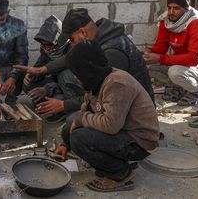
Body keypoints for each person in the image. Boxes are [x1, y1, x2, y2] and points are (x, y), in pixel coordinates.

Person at [56, 40, 159, 192]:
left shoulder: (117, 83)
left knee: (79, 138)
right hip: (122, 130)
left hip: (139, 141)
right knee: (70, 125)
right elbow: (86, 109)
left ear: (87, 68)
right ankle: (109, 161)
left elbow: (111, 125)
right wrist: (66, 142)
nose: (77, 77)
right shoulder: (96, 78)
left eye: (77, 72)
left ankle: (122, 173)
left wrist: (81, 120)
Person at [14, 8, 154, 117]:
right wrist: (42, 70)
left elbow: (102, 94)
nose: (72, 44)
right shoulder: (99, 36)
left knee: (74, 124)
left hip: (133, 113)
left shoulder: (113, 52)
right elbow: (69, 58)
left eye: (72, 39)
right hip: (115, 100)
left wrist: (64, 105)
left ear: (83, 33)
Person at [143, 0, 198, 106]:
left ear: (186, 9)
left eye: (176, 8)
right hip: (181, 66)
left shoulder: (197, 24)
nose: (171, 12)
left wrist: (160, 58)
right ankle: (181, 88)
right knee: (149, 69)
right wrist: (147, 55)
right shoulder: (166, 22)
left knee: (175, 72)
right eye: (169, 7)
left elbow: (194, 59)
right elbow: (160, 48)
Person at [23, 15, 84, 122]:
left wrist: (47, 88)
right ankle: (51, 107)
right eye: (43, 45)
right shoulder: (46, 50)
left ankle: (70, 111)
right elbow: (39, 68)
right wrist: (31, 76)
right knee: (29, 84)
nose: (46, 48)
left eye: (49, 45)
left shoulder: (72, 48)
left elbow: (74, 81)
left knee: (64, 75)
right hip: (57, 85)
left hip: (76, 89)